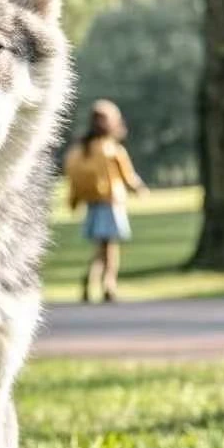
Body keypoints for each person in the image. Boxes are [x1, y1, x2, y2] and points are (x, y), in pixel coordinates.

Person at [64, 99, 145, 303]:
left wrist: (73, 201)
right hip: (111, 204)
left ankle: (91, 280)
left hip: (92, 205)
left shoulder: (83, 148)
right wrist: (139, 189)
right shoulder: (112, 149)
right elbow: (128, 177)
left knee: (101, 248)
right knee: (109, 250)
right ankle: (109, 285)